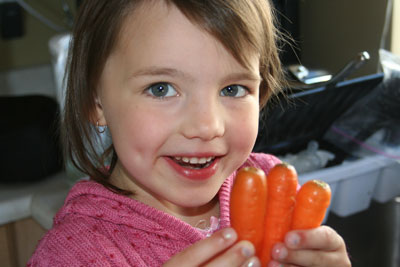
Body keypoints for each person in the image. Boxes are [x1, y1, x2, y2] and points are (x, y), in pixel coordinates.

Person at [28, 0, 351, 266]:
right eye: (161, 88)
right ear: (95, 101)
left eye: (233, 88)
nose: (207, 126)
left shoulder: (270, 187)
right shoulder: (73, 254)